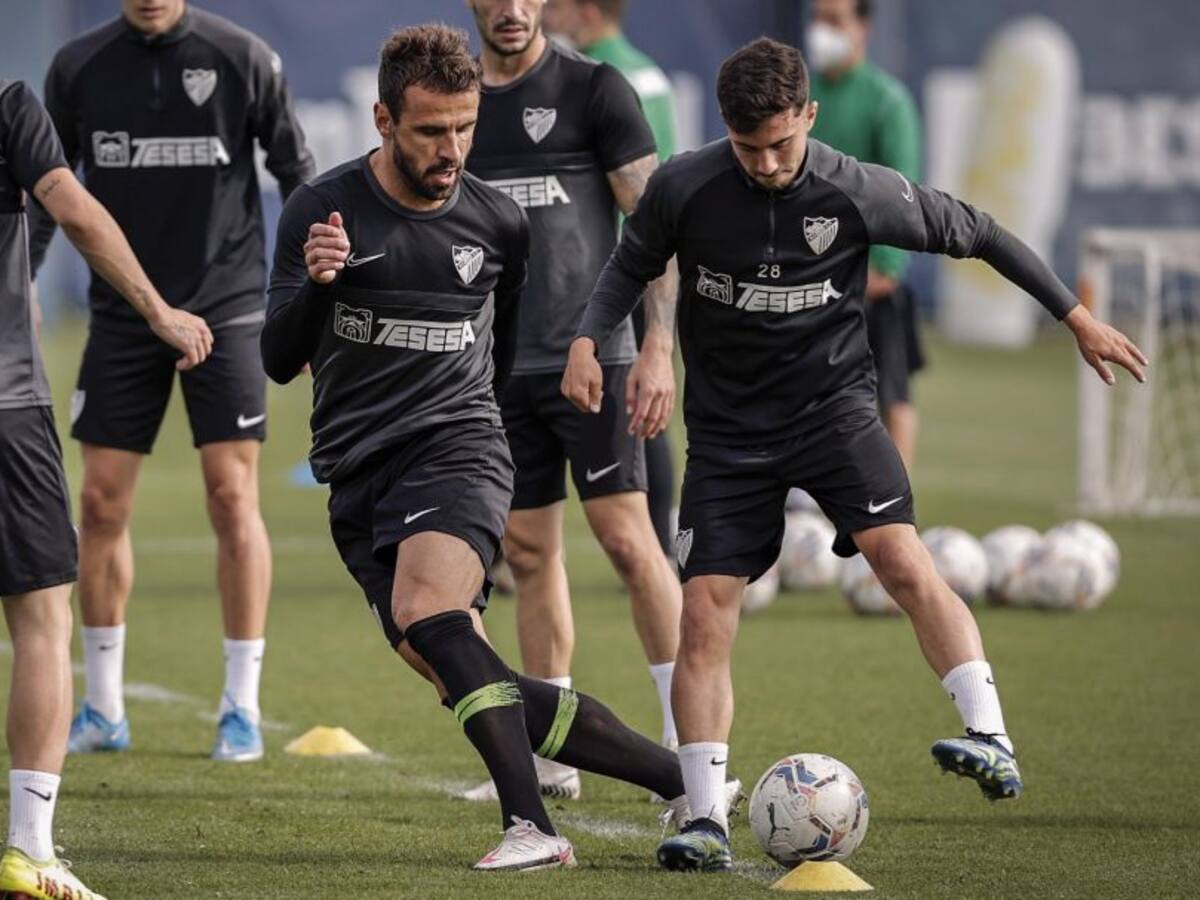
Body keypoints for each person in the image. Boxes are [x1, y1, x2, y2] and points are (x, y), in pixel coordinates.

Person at [563, 37, 1147, 872]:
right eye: (746, 146)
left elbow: (978, 232)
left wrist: (1073, 316)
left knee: (902, 560)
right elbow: (628, 265)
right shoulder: (684, 187)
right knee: (707, 611)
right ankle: (703, 818)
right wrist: (590, 338)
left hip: (834, 416)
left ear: (809, 116)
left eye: (781, 142)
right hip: (729, 437)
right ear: (725, 131)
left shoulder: (855, 188)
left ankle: (990, 735)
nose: (765, 163)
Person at [262, 23, 732, 872]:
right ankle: (682, 780)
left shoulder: (496, 223)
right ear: (382, 119)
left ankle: (533, 828)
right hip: (357, 472)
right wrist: (319, 285)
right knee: (456, 666)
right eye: (431, 131)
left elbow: (501, 353)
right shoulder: (320, 212)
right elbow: (277, 359)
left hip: (459, 448)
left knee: (434, 614)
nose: (452, 149)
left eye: (465, 128)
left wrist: (479, 432)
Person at [29, 0, 315, 762]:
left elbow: (299, 175)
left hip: (225, 309)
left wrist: (304, 297)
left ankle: (241, 708)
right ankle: (103, 708)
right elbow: (47, 189)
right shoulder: (78, 67)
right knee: (99, 501)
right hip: (123, 314)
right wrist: (21, 282)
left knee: (231, 495)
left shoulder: (243, 57)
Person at [462, 0, 683, 802]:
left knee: (628, 541)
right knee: (527, 552)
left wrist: (657, 348)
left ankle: (687, 743)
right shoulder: (458, 102)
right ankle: (550, 759)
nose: (515, 10)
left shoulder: (596, 90)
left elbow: (655, 228)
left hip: (599, 358)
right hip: (499, 371)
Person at [0, 77, 211, 900]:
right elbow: (78, 212)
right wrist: (158, 310)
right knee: (43, 613)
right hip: (6, 407)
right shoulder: (12, 105)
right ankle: (29, 849)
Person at [543, 0, 681, 560]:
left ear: (588, 10)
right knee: (644, 408)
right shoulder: (645, 69)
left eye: (556, 5)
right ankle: (665, 539)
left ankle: (658, 541)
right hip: (651, 257)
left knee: (636, 403)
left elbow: (638, 189)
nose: (548, 14)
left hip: (624, 265)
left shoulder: (601, 78)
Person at [808, 0, 924, 469]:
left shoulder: (886, 100)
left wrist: (887, 270)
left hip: (870, 281)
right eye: (817, 19)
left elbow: (903, 191)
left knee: (890, 393)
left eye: (835, 21)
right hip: (810, 275)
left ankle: (896, 502)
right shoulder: (803, 94)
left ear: (863, 29)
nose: (822, 31)